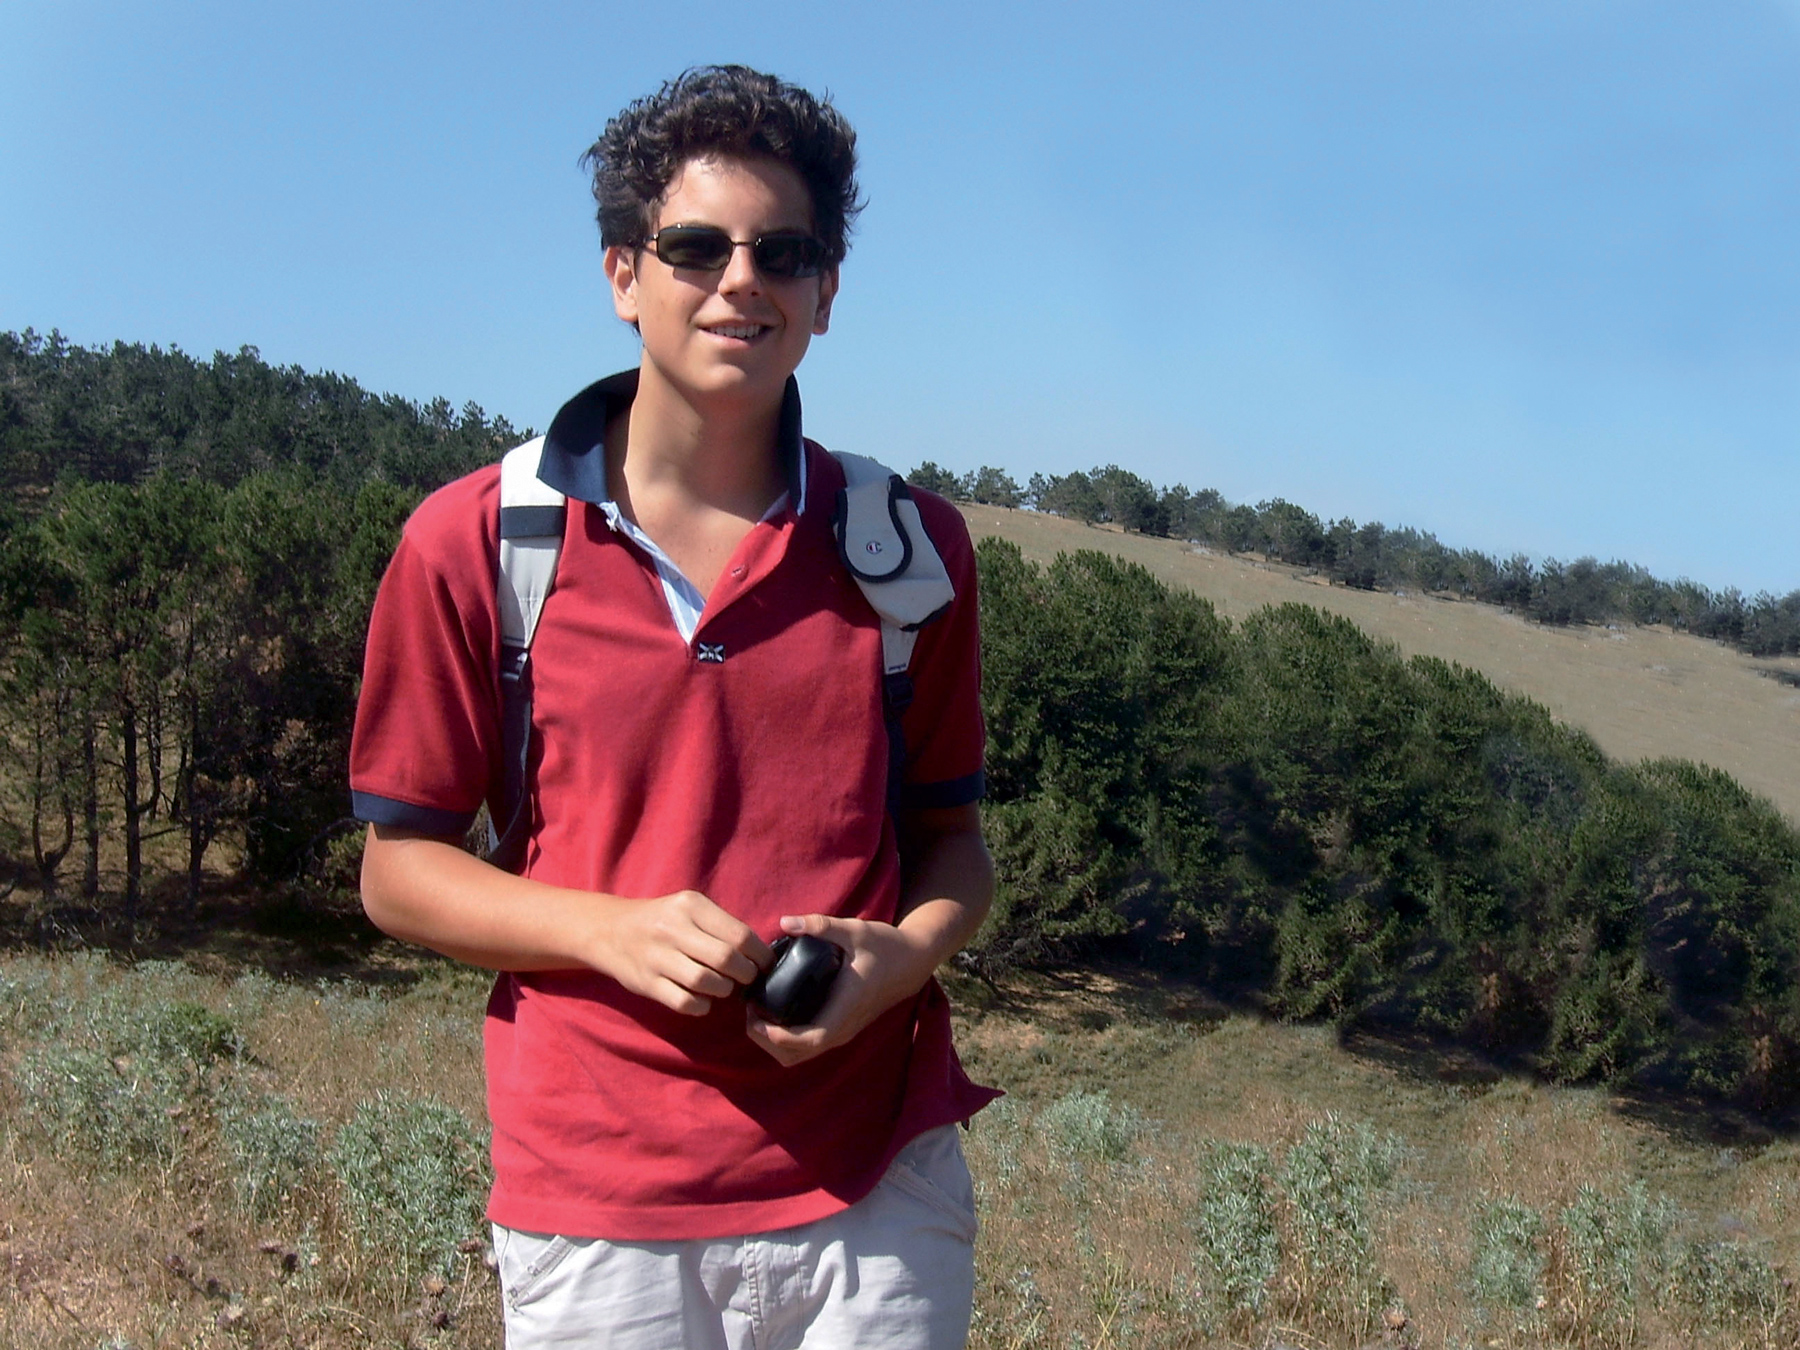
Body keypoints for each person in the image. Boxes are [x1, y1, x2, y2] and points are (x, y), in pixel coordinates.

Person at [349, 64, 998, 1348]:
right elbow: (397, 872)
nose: (740, 281)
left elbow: (954, 846)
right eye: (696, 247)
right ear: (622, 274)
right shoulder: (477, 542)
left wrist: (901, 961)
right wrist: (610, 933)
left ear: (825, 292)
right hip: (600, 1204)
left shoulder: (909, 551)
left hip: (876, 1185)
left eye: (783, 252)